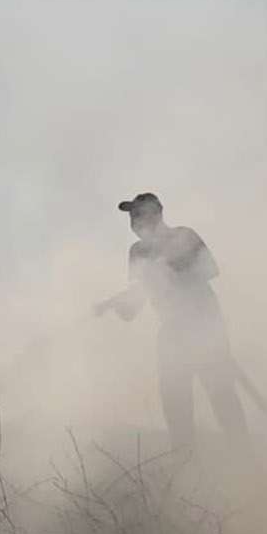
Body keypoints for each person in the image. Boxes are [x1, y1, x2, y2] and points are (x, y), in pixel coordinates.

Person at [95, 192, 248, 450]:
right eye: (133, 216)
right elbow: (136, 302)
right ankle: (184, 460)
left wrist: (171, 269)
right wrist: (114, 305)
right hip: (172, 331)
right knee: (174, 397)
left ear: (158, 213)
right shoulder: (138, 252)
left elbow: (211, 270)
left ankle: (245, 456)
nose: (135, 221)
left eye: (140, 214)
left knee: (220, 392)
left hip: (204, 325)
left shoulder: (184, 237)